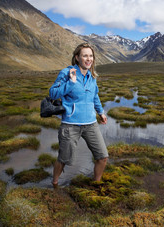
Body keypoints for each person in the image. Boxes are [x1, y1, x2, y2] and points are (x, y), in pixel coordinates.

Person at [49, 43, 108, 188]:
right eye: (85, 56)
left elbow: (95, 96)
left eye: (91, 56)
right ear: (77, 57)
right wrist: (71, 82)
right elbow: (53, 93)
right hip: (70, 124)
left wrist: (100, 112)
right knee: (64, 159)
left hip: (91, 124)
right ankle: (55, 183)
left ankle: (96, 184)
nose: (88, 59)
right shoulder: (67, 73)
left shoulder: (92, 76)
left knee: (102, 157)